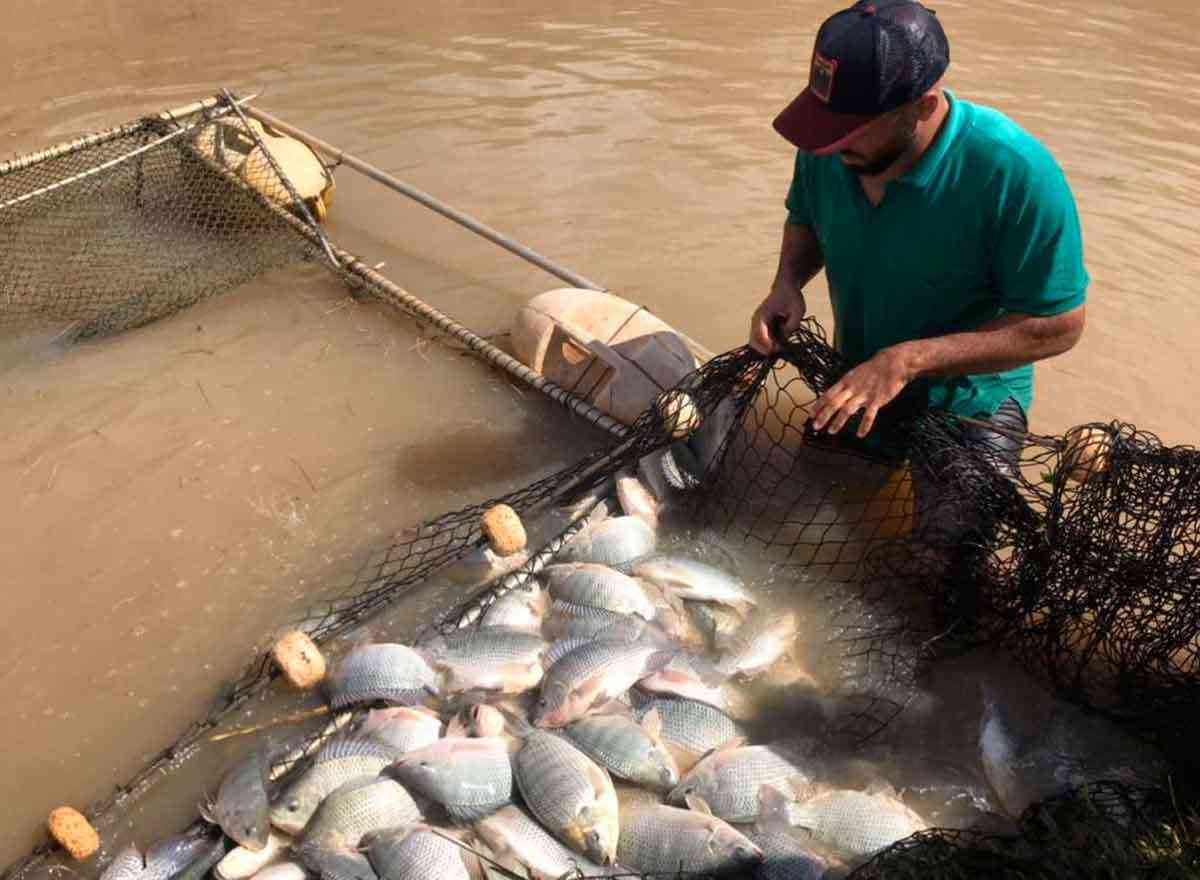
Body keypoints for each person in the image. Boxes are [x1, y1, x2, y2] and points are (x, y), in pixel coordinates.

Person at [748, 0, 1089, 582]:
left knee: (941, 569)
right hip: (860, 378)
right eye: (825, 127)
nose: (830, 146)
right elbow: (805, 216)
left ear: (922, 106)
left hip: (970, 401)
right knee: (791, 523)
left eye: (848, 131)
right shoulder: (827, 144)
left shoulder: (1014, 172)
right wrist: (786, 285)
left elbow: (1059, 324)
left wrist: (909, 360)